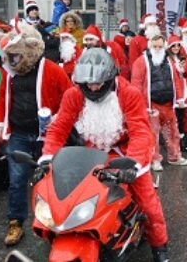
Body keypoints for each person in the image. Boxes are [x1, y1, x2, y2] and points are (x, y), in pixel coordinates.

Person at [38, 48, 170, 261]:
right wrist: (47, 158)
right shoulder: (74, 95)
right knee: (67, 198)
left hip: (126, 152)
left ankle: (159, 245)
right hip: (90, 154)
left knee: (148, 202)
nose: (92, 87)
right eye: (87, 84)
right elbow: (59, 128)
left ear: (110, 78)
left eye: (98, 83)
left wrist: (132, 165)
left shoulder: (128, 94)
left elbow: (140, 131)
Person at [0, 22, 72, 246]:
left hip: (47, 134)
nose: (14, 59)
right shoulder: (10, 71)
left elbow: (70, 97)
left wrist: (59, 118)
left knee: (52, 180)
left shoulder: (51, 68)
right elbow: (2, 97)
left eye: (18, 55)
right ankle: (16, 222)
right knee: (17, 180)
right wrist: (1, 122)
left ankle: (58, 220)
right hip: (19, 132)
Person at [131, 34, 187, 169]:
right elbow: (136, 84)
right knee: (153, 135)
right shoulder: (141, 61)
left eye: (160, 46)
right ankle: (154, 160)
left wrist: (180, 98)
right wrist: (142, 105)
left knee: (173, 132)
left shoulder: (170, 61)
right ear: (150, 45)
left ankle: (175, 156)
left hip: (168, 103)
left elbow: (177, 80)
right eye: (155, 46)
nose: (157, 49)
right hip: (152, 104)